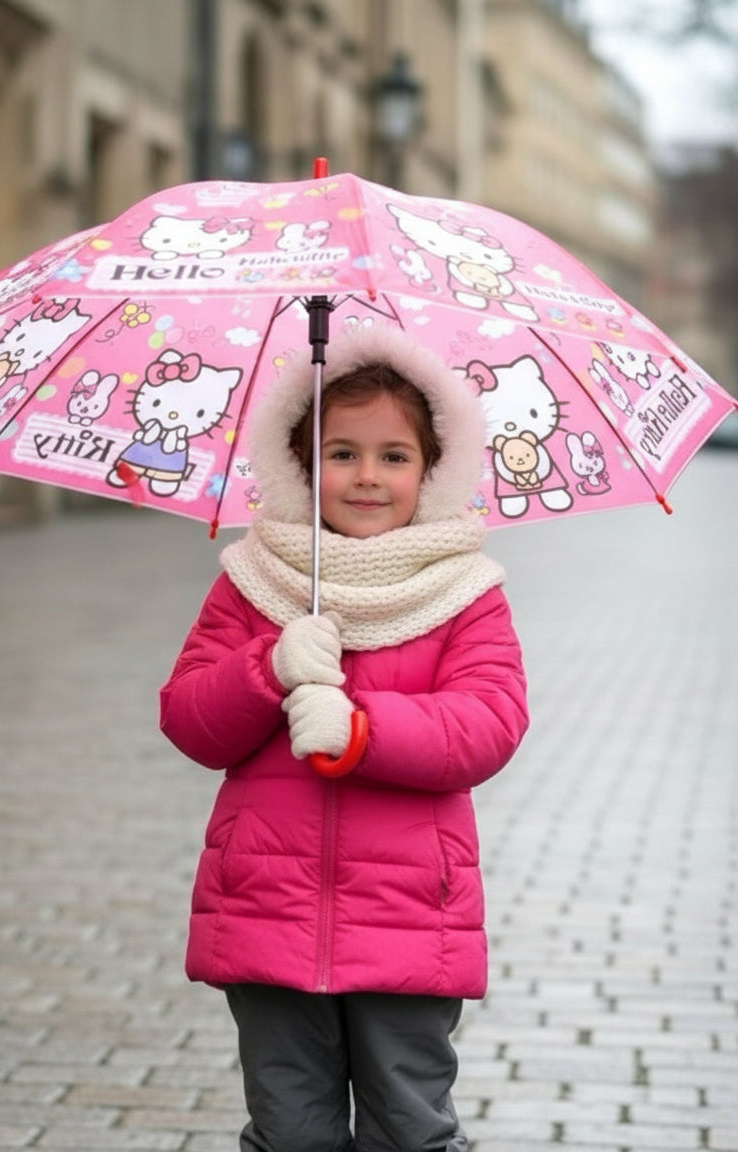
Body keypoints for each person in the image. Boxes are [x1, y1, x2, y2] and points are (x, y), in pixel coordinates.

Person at [160, 322, 530, 1152]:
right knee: (290, 1131)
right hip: (267, 906)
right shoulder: (255, 581)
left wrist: (362, 729)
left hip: (410, 916)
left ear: (432, 471)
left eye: (394, 456)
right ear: (300, 465)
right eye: (342, 453)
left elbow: (488, 723)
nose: (368, 476)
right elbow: (189, 718)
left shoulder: (464, 592)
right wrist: (267, 667)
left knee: (409, 1130)